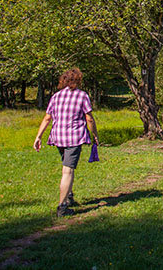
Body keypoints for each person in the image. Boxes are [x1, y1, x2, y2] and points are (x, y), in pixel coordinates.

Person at [34, 68, 99, 217]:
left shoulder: (56, 97)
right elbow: (89, 118)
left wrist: (38, 136)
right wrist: (94, 134)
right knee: (68, 170)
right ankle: (62, 207)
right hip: (74, 137)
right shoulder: (82, 96)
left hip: (58, 137)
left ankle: (69, 196)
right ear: (77, 81)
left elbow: (47, 118)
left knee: (67, 167)